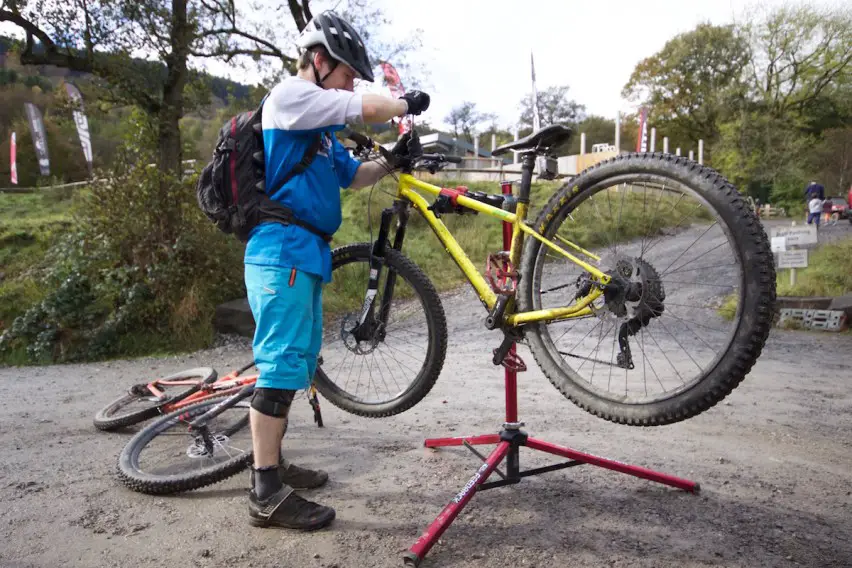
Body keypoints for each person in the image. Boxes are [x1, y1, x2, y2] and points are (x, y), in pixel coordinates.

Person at [243, 11, 430, 531]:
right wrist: (405, 104)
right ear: (319, 62)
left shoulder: (320, 132)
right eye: (348, 72)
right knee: (280, 368)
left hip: (304, 255)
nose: (351, 83)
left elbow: (355, 176)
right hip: (280, 253)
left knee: (297, 365)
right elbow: (363, 106)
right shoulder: (290, 97)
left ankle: (273, 465)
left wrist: (394, 159)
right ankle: (265, 492)